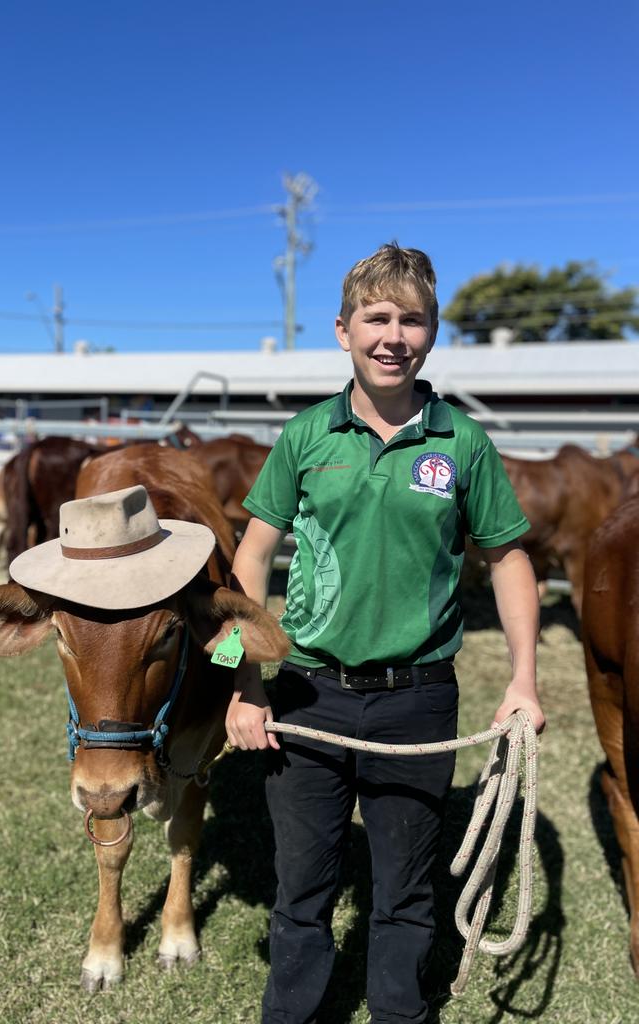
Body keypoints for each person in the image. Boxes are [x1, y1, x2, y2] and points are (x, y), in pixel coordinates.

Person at [224, 242, 546, 1024]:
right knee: (303, 885)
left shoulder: (460, 444)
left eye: (412, 319)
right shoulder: (305, 438)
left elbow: (506, 561)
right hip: (305, 693)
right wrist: (242, 683)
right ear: (343, 331)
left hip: (418, 702)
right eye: (376, 318)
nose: (392, 335)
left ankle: (401, 1014)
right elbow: (251, 562)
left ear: (432, 333)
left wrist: (524, 682)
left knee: (405, 887)